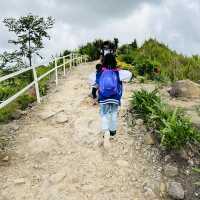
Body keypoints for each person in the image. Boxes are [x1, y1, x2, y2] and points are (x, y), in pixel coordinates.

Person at [91, 53, 132, 149]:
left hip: (103, 98)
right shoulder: (118, 72)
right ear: (114, 61)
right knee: (113, 113)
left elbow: (93, 83)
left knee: (104, 114)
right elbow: (129, 75)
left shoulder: (100, 72)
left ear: (103, 62)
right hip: (115, 97)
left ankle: (106, 132)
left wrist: (94, 94)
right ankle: (112, 132)